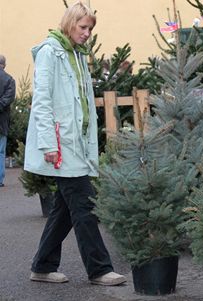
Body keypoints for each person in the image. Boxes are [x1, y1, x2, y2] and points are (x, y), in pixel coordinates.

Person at [24, 1, 126, 286]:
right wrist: (48, 145)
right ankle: (100, 269)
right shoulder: (50, 53)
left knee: (64, 210)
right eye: (83, 27)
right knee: (84, 204)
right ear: (69, 23)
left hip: (76, 143)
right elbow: (42, 102)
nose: (87, 34)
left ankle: (42, 266)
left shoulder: (77, 55)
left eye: (90, 29)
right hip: (60, 145)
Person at [0, 55, 16, 188]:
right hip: (2, 121)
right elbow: (8, 99)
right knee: (0, 151)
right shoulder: (10, 80)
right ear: (4, 65)